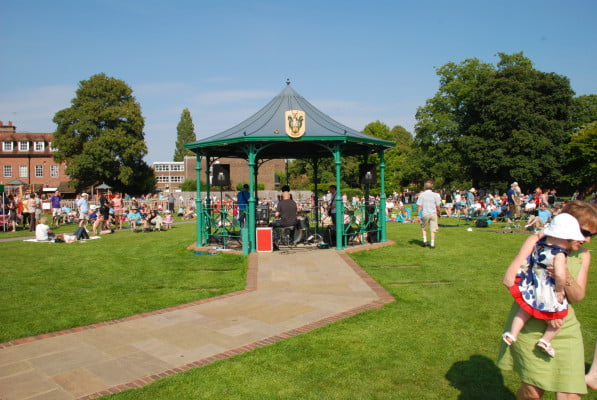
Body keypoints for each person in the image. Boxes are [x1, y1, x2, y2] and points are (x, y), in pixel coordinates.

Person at [498, 200, 597, 399]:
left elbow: (577, 297)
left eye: (593, 235)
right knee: (533, 392)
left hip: (564, 326)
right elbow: (510, 280)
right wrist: (546, 312)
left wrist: (566, 276)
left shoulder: (584, 255)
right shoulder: (535, 242)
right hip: (529, 325)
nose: (587, 241)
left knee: (570, 393)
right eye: (585, 233)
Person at [502, 213, 586, 357]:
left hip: (533, 285)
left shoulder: (540, 244)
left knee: (523, 312)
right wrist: (559, 290)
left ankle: (512, 334)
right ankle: (545, 340)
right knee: (561, 315)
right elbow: (560, 275)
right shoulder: (559, 254)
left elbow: (541, 233)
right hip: (548, 289)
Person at [416, 179, 441, 248]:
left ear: (425, 187)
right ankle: (432, 244)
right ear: (431, 187)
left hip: (425, 213)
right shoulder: (435, 195)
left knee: (424, 227)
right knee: (433, 229)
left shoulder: (422, 195)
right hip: (433, 213)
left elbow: (419, 205)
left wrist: (418, 214)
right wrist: (439, 213)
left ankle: (424, 241)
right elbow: (438, 206)